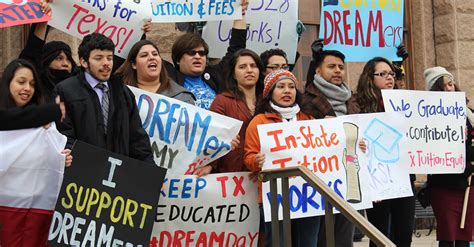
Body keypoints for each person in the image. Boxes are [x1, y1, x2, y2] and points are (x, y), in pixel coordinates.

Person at [0, 58, 71, 246]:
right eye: (21, 82)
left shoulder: (45, 125)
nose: (27, 89)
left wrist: (60, 158)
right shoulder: (30, 118)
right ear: (8, 83)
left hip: (33, 214)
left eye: (32, 84)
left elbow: (53, 155)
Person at [244, 70, 319, 247]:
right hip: (275, 196)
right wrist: (257, 160)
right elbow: (248, 157)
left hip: (309, 194)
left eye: (291, 87)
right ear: (270, 92)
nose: (287, 91)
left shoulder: (309, 119)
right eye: (281, 87)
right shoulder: (259, 121)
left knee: (309, 242)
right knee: (278, 242)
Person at [54, 33, 154, 164]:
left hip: (118, 173)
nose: (106, 63)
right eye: (99, 58)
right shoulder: (65, 91)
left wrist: (151, 174)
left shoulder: (122, 92)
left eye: (109, 58)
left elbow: (137, 138)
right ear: (84, 62)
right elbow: (63, 135)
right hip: (81, 174)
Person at [301, 44, 360, 247]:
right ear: (318, 70)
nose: (337, 71)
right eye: (331, 66)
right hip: (320, 180)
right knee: (323, 238)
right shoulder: (306, 99)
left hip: (349, 177)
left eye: (341, 67)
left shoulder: (352, 99)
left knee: (345, 237)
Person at [356, 57, 415, 247]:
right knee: (380, 236)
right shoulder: (360, 106)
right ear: (370, 78)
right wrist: (360, 144)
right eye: (382, 74)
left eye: (391, 73)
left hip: (404, 178)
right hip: (377, 181)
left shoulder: (406, 105)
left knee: (404, 235)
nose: (389, 77)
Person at [165, 1, 248, 109]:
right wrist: (140, 29)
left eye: (202, 53)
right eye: (191, 53)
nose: (198, 56)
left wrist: (239, 14)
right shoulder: (168, 76)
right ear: (178, 59)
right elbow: (141, 55)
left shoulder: (215, 75)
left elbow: (236, 50)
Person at [424, 66, 474, 247]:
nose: (448, 89)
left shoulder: (469, 115)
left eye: (451, 84)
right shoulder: (427, 119)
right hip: (444, 186)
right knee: (447, 234)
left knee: (464, 236)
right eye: (442, 86)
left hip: (467, 184)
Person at [116, 40, 195, 104]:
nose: (151, 57)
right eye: (144, 55)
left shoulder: (182, 97)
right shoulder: (120, 95)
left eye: (155, 54)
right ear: (134, 64)